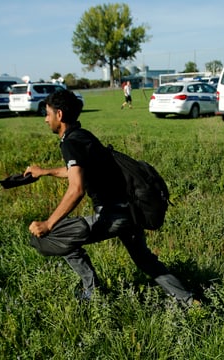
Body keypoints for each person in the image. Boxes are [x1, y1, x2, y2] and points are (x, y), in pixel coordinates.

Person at [25, 89, 193, 305]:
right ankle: (190, 301)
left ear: (59, 115)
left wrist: (48, 223)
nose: (45, 119)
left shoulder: (70, 142)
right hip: (131, 210)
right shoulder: (83, 136)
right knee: (145, 260)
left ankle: (92, 292)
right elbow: (78, 171)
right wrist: (44, 172)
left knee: (55, 236)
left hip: (113, 215)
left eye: (47, 113)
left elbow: (76, 189)